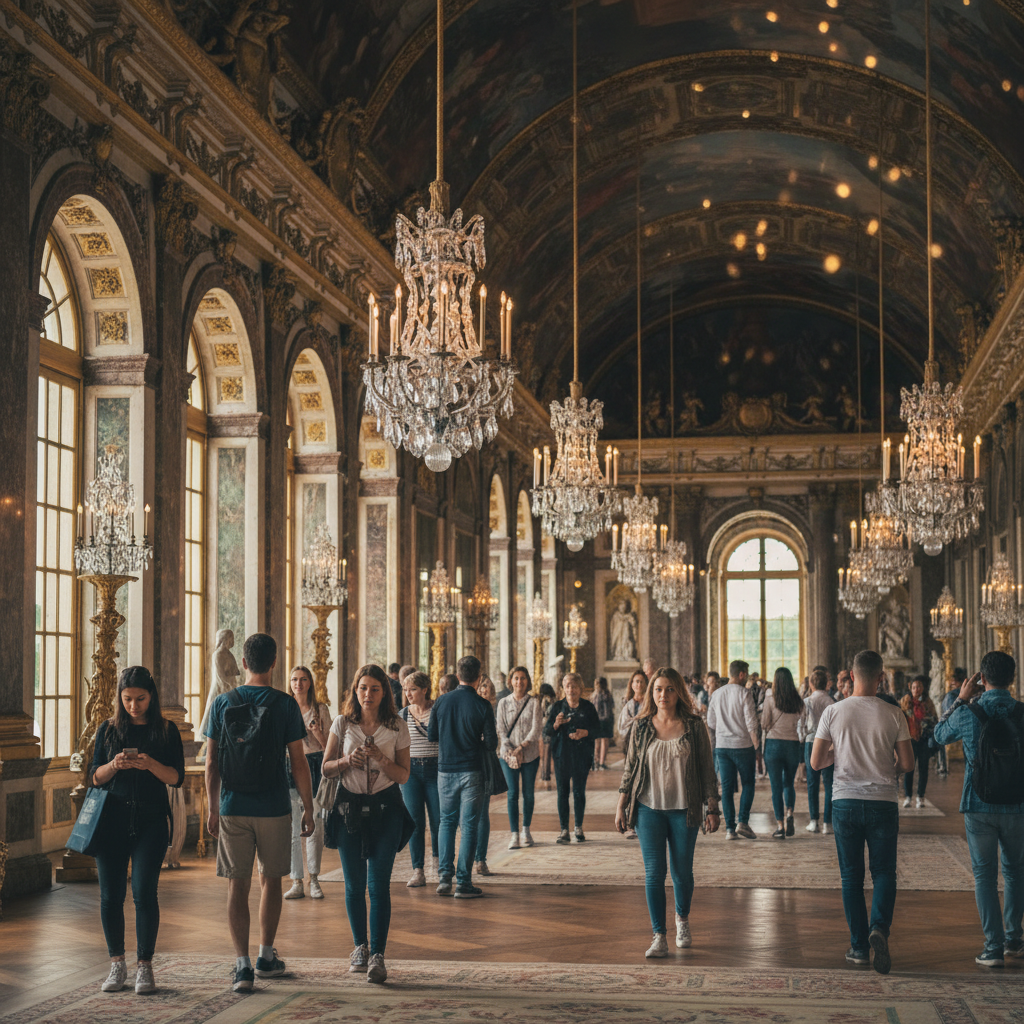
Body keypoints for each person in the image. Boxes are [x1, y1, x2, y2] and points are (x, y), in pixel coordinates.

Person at [205, 633, 313, 993]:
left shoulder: (222, 703)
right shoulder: (285, 704)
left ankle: (242, 966)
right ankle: (266, 956)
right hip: (274, 806)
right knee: (271, 881)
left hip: (233, 806)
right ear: (274, 662)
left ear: (244, 663)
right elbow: (298, 762)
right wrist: (309, 807)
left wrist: (212, 808)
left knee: (237, 884)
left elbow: (211, 763)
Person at [811, 649, 914, 974]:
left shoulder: (833, 711)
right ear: (881, 678)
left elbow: (816, 762)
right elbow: (908, 763)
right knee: (884, 873)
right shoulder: (893, 713)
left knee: (851, 877)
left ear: (852, 675)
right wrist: (889, 768)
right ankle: (878, 928)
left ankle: (858, 947)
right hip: (883, 800)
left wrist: (839, 756)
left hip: (845, 801)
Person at [91, 666, 184, 995]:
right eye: (127, 699)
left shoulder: (166, 731)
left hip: (151, 821)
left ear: (152, 696)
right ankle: (117, 963)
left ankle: (145, 965)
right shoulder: (107, 730)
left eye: (140, 699)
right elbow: (94, 777)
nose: (133, 705)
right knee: (110, 896)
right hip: (111, 822)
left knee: (144, 893)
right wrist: (113, 765)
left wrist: (150, 765)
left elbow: (176, 777)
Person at [615, 667, 721, 958]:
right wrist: (621, 805)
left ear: (679, 692)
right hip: (648, 809)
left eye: (670, 689)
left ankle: (682, 920)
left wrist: (713, 807)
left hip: (684, 809)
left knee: (682, 873)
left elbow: (707, 769)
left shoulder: (694, 726)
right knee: (654, 873)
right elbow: (630, 768)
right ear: (652, 692)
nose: (663, 695)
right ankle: (659, 935)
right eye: (658, 689)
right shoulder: (641, 726)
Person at [933, 651, 1024, 967]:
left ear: (981, 679)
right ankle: (1014, 938)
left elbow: (938, 735)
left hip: (978, 803)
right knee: (1015, 871)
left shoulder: (968, 712)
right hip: (1017, 804)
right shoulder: (1022, 712)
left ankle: (993, 948)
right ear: (1012, 678)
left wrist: (959, 699)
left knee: (985, 876)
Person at [322, 664, 411, 984]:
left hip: (386, 809)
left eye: (375, 689)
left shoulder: (397, 726)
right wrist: (349, 760)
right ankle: (359, 946)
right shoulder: (342, 723)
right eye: (363, 688)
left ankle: (378, 955)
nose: (368, 694)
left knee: (378, 885)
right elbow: (326, 768)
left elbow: (404, 775)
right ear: (355, 691)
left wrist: (381, 759)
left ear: (384, 692)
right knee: (354, 884)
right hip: (349, 808)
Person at [428, 655, 498, 898]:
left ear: (458, 676)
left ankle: (444, 878)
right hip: (472, 770)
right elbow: (491, 743)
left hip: (445, 769)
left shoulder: (441, 701)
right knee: (469, 826)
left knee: (446, 822)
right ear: (479, 677)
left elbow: (432, 736)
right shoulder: (482, 705)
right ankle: (464, 883)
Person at [284, 665, 331, 900]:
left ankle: (314, 878)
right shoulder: (285, 708)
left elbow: (330, 747)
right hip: (290, 764)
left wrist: (316, 733)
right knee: (293, 826)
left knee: (315, 826)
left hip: (314, 763)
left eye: (303, 679)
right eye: (294, 679)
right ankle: (296, 880)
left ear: (310, 682)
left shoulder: (320, 709)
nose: (298, 684)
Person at [544, 671, 600, 843]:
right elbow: (547, 731)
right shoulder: (557, 707)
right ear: (563, 688)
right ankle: (563, 830)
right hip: (562, 755)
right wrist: (556, 724)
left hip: (582, 755)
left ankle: (578, 827)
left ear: (580, 688)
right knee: (562, 792)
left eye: (574, 686)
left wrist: (585, 733)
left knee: (578, 791)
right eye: (568, 686)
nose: (571, 690)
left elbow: (599, 730)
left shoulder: (588, 707)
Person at [706, 659, 759, 840]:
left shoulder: (717, 694)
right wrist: (757, 745)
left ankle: (729, 829)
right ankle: (742, 821)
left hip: (722, 746)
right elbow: (751, 721)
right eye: (747, 674)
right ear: (741, 674)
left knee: (727, 788)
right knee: (748, 784)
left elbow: (711, 722)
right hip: (743, 745)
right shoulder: (744, 693)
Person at [398, 671, 439, 887]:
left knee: (438, 819)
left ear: (424, 689)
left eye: (413, 689)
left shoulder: (437, 710)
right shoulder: (403, 715)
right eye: (406, 690)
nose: (408, 694)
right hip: (411, 772)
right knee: (415, 821)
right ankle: (418, 870)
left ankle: (440, 864)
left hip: (435, 770)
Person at [497, 666, 543, 848]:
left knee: (528, 793)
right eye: (516, 678)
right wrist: (510, 748)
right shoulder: (503, 703)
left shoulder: (534, 703)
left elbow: (536, 729)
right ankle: (514, 834)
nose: (519, 682)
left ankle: (526, 830)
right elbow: (500, 729)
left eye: (523, 678)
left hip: (530, 754)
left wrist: (522, 747)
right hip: (508, 754)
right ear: (511, 681)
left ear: (527, 681)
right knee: (512, 793)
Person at [762, 667, 805, 839]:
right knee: (789, 784)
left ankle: (780, 826)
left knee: (776, 787)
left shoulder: (770, 700)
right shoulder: (798, 702)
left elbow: (764, 723)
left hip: (774, 744)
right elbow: (803, 724)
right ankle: (790, 814)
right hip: (792, 744)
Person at [800, 668, 835, 834]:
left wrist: (803, 737)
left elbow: (801, 724)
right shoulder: (832, 702)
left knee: (812, 782)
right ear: (826, 684)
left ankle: (814, 821)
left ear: (811, 684)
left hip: (811, 741)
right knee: (829, 783)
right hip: (828, 742)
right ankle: (828, 822)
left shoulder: (807, 701)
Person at [900, 675, 938, 809]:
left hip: (923, 740)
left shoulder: (928, 703)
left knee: (923, 769)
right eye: (914, 687)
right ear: (910, 688)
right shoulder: (905, 702)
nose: (916, 689)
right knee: (909, 769)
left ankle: (920, 797)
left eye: (919, 687)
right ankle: (908, 797)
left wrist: (927, 724)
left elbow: (934, 719)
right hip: (909, 739)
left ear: (922, 688)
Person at [474, 676, 499, 876]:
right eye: (481, 686)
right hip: (472, 759)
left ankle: (480, 859)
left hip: (485, 761)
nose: (484, 690)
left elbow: (493, 740)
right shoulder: (472, 705)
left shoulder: (491, 707)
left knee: (482, 813)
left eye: (487, 687)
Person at [592, 676, 615, 770]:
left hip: (596, 720)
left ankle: (596, 762)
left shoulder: (594, 695)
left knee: (597, 742)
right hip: (606, 720)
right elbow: (611, 707)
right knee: (604, 742)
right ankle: (602, 762)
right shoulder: (607, 695)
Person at [538, 682, 557, 788]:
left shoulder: (545, 700)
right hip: (553, 726)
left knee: (546, 751)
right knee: (550, 750)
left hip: (546, 726)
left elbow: (543, 712)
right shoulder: (554, 700)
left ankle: (545, 774)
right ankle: (548, 773)